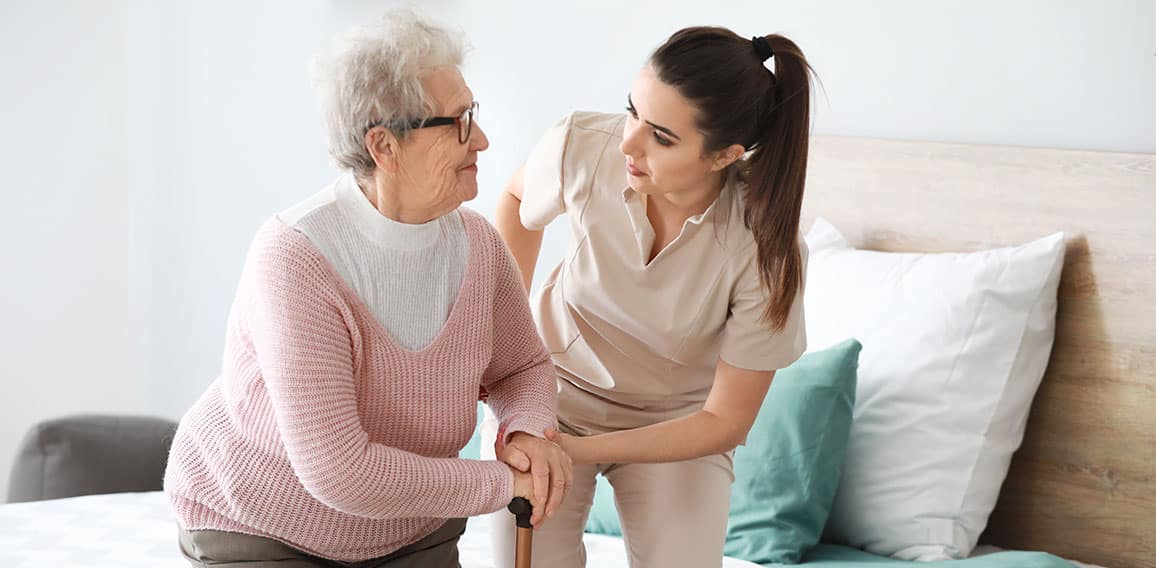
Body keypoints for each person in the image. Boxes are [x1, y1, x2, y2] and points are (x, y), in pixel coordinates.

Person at [163, 9, 569, 567]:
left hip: (412, 529)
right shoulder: (296, 258)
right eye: (457, 121)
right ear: (383, 146)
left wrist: (525, 432)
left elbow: (521, 367)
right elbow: (342, 472)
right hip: (263, 524)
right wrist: (500, 483)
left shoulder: (478, 243)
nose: (482, 140)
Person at [487, 26, 816, 568]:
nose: (628, 143)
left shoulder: (767, 251)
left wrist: (580, 451)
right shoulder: (583, 144)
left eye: (662, 136)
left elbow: (724, 422)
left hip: (675, 428)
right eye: (632, 110)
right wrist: (507, 350)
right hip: (548, 395)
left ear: (724, 155)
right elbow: (519, 199)